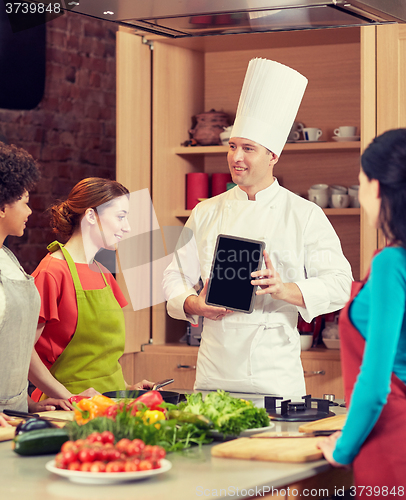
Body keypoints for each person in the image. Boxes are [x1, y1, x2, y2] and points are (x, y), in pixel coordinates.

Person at [163, 58, 353, 396]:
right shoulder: (206, 211)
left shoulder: (304, 214)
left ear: (273, 156)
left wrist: (283, 289)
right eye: (233, 146)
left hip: (275, 377)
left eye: (248, 149)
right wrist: (194, 304)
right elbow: (173, 275)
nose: (237, 157)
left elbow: (340, 285)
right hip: (213, 375)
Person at [318, 129, 406, 489]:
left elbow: (374, 384)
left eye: (361, 182)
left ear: (377, 188)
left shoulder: (391, 263)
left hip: (391, 442)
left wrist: (342, 449)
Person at [29, 178, 153, 403]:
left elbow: (100, 356)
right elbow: (23, 354)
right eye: (121, 217)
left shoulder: (104, 272)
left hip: (113, 404)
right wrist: (72, 398)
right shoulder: (51, 272)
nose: (127, 227)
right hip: (68, 410)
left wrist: (126, 387)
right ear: (90, 216)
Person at [0, 142, 69, 426]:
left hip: (14, 417)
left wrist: (27, 403)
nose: (30, 211)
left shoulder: (8, 259)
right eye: (25, 201)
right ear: (2, 206)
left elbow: (15, 346)